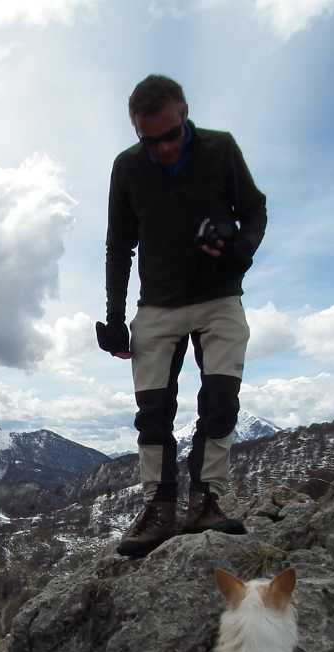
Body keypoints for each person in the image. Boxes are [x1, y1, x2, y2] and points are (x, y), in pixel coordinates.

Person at [98, 74, 267, 557]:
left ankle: (206, 501)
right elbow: (118, 246)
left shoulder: (220, 150)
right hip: (157, 304)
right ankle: (159, 509)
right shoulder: (127, 169)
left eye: (171, 135)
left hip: (218, 297)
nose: (164, 148)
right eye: (150, 140)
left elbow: (255, 210)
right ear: (136, 132)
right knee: (153, 411)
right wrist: (114, 317)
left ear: (185, 115)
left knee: (220, 401)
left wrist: (240, 250)